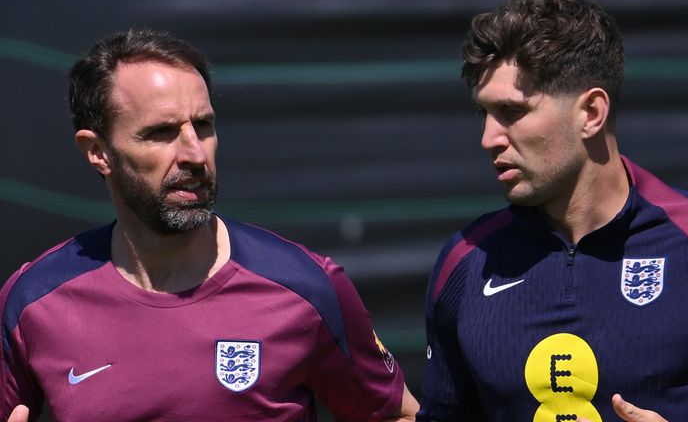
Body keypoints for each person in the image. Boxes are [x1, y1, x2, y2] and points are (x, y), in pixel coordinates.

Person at [0, 28, 419, 422]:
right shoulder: (34, 301)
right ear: (98, 152)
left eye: (203, 125)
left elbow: (395, 414)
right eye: (162, 132)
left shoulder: (304, 287)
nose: (195, 154)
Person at [417, 0, 688, 421]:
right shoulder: (465, 264)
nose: (489, 138)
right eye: (484, 114)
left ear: (592, 112)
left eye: (511, 111)